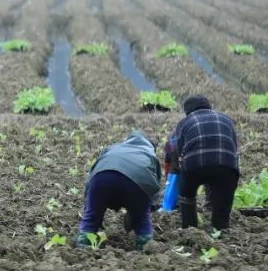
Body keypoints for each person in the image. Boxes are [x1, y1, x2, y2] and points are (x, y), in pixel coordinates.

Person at [77, 131, 162, 250]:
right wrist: (142, 209)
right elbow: (153, 187)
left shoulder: (114, 148)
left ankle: (83, 247)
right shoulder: (150, 154)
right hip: (138, 181)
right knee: (142, 219)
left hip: (102, 176)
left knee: (91, 216)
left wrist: (90, 204)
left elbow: (93, 172)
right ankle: (145, 249)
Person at [167, 96, 240, 231]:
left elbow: (176, 151)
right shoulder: (226, 120)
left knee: (187, 196)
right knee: (223, 203)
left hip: (194, 166)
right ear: (209, 106)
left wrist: (179, 173)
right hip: (227, 166)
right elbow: (234, 148)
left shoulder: (185, 122)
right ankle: (220, 231)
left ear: (187, 111)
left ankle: (190, 230)